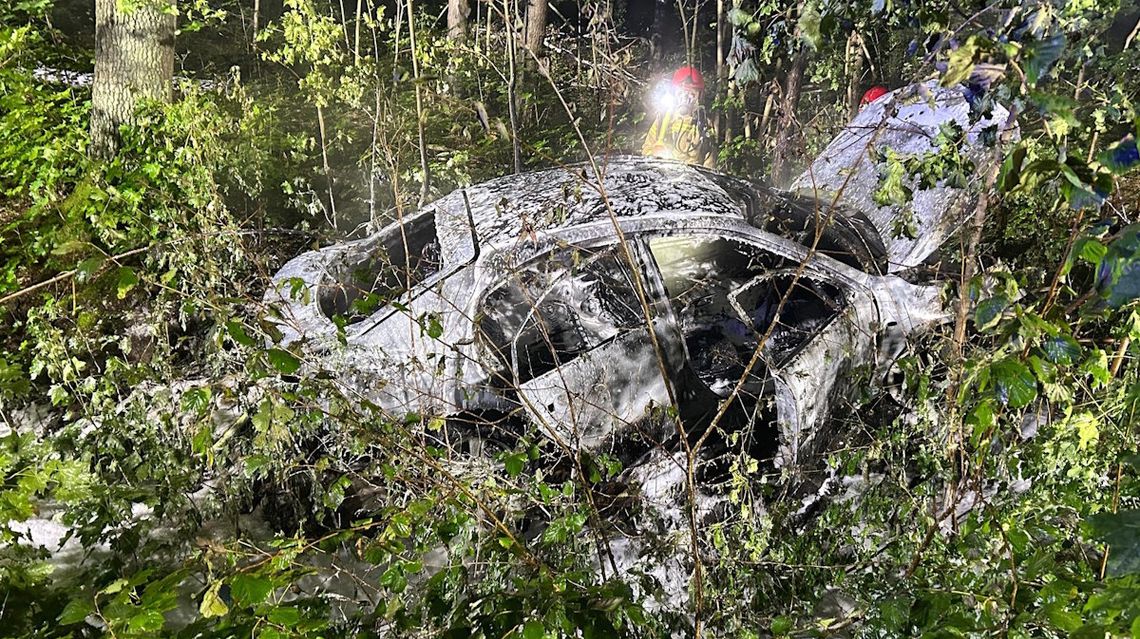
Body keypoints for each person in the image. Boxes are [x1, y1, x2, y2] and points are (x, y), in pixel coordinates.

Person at [642, 66, 716, 167]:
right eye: (681, 92)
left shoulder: (703, 124)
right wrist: (653, 154)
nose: (685, 97)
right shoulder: (663, 119)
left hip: (690, 179)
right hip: (662, 176)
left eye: (692, 93)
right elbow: (646, 150)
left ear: (699, 96)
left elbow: (709, 162)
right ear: (674, 93)